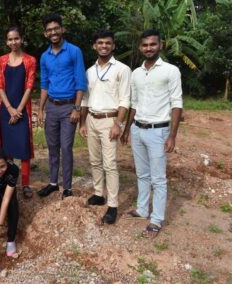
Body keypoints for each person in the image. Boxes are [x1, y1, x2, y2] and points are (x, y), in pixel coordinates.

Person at [120, 29, 183, 237]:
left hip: (159, 131)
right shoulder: (137, 73)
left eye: (153, 44)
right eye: (145, 45)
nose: (149, 48)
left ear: (160, 45)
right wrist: (127, 129)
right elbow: (134, 105)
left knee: (158, 179)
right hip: (138, 129)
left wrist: (172, 136)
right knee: (142, 174)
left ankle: (156, 220)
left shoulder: (171, 71)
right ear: (140, 47)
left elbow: (177, 104)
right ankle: (142, 209)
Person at [79, 29, 131, 224]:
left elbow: (125, 99)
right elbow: (85, 98)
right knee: (94, 161)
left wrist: (118, 123)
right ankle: (99, 194)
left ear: (113, 46)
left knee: (110, 164)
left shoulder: (122, 69)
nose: (104, 46)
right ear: (95, 46)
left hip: (111, 120)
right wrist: (82, 122)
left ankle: (113, 205)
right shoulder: (89, 71)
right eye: (100, 43)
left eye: (108, 43)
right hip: (92, 118)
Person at [37, 13, 87, 199]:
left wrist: (77, 108)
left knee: (66, 147)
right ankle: (52, 182)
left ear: (62, 30)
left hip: (68, 108)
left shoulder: (74, 51)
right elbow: (44, 84)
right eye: (49, 30)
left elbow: (81, 82)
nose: (53, 32)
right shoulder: (44, 56)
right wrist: (41, 109)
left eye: (56, 28)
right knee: (52, 146)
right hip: (51, 106)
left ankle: (67, 187)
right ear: (45, 34)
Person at [0, 26, 36, 199]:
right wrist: (10, 109)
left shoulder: (30, 60)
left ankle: (25, 184)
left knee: (24, 148)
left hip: (22, 110)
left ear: (21, 39)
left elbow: (29, 86)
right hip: (5, 110)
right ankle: (9, 180)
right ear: (7, 41)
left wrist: (18, 110)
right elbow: (0, 86)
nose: (13, 42)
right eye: (10, 39)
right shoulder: (0, 60)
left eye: (16, 38)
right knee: (7, 148)